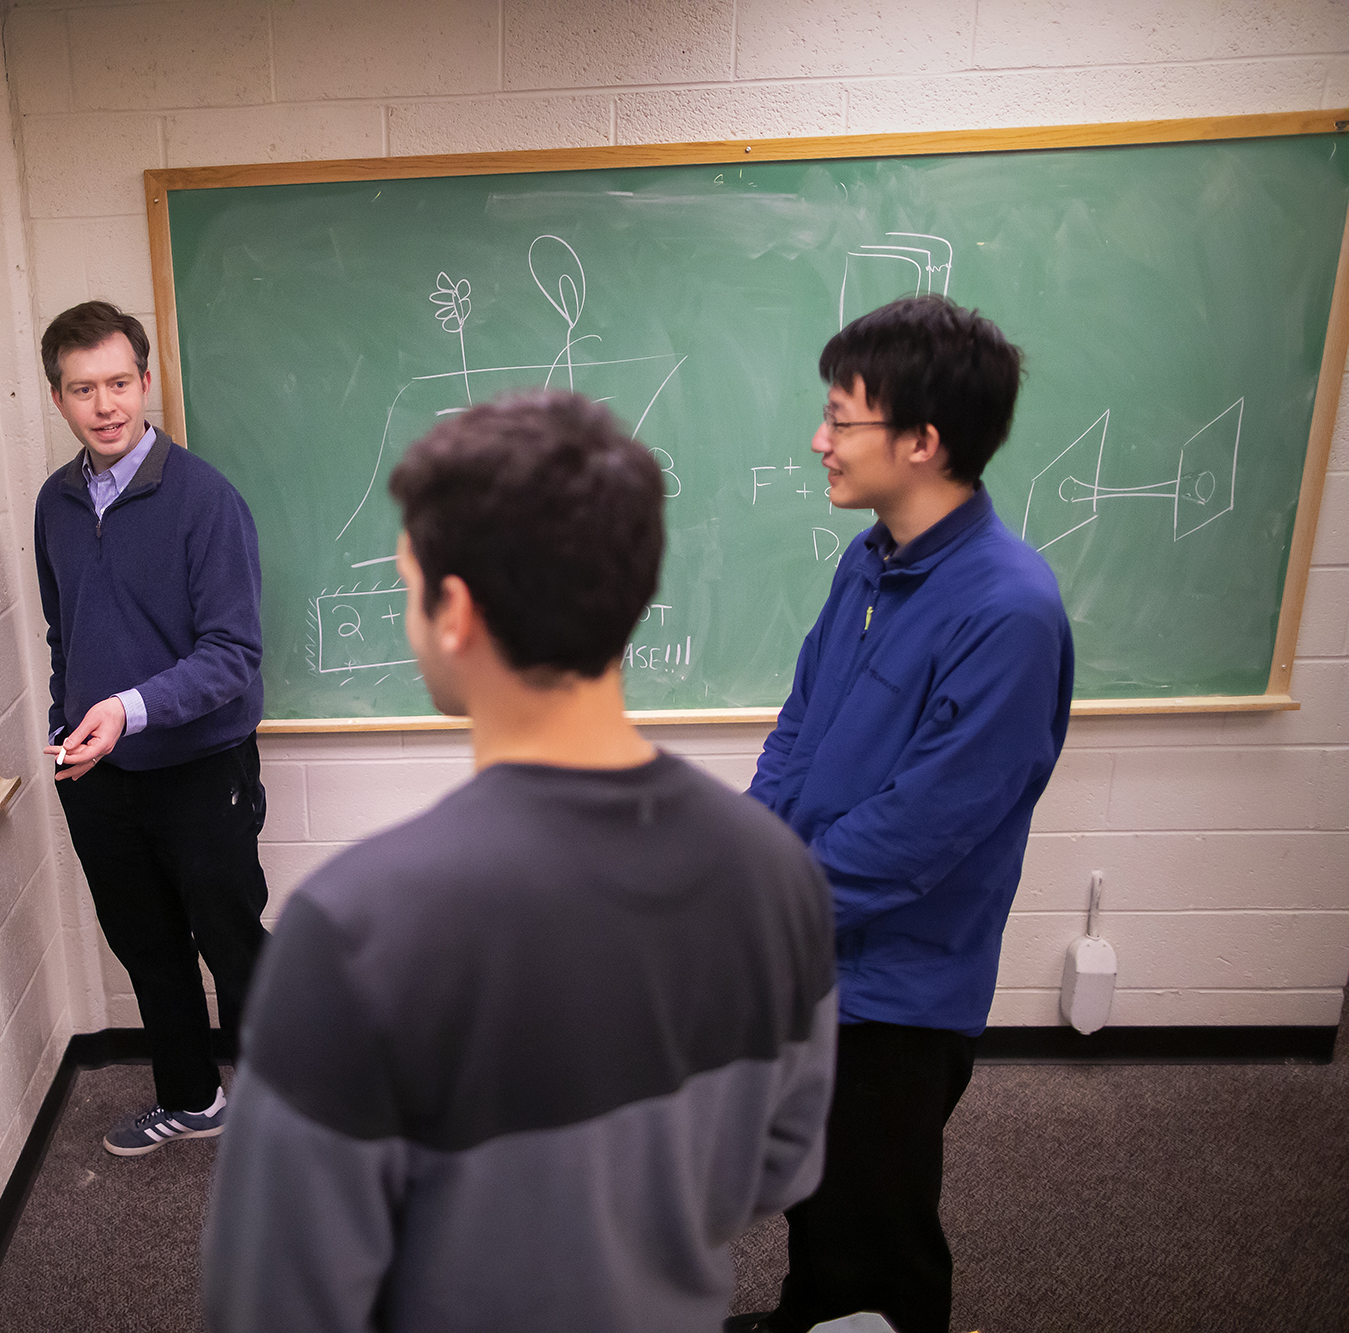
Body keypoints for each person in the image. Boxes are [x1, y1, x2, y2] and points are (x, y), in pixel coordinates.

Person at [201, 390, 838, 1332]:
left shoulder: (355, 928)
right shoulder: (776, 870)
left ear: (453, 611)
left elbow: (272, 1301)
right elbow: (782, 1163)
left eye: (408, 578)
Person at [731, 296, 1075, 1333]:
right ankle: (810, 1313)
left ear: (921, 442)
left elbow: (921, 830)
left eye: (841, 420)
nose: (817, 439)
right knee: (822, 1192)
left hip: (895, 983)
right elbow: (799, 724)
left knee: (877, 1229)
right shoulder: (870, 560)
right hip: (816, 949)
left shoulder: (1006, 608)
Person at [32, 300, 269, 1156]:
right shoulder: (55, 503)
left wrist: (127, 710)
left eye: (120, 383)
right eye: (83, 388)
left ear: (145, 382)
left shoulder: (204, 499)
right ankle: (193, 1097)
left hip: (201, 766)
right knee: (148, 945)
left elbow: (233, 652)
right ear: (57, 397)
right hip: (97, 775)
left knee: (232, 941)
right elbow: (66, 630)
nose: (106, 405)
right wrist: (69, 726)